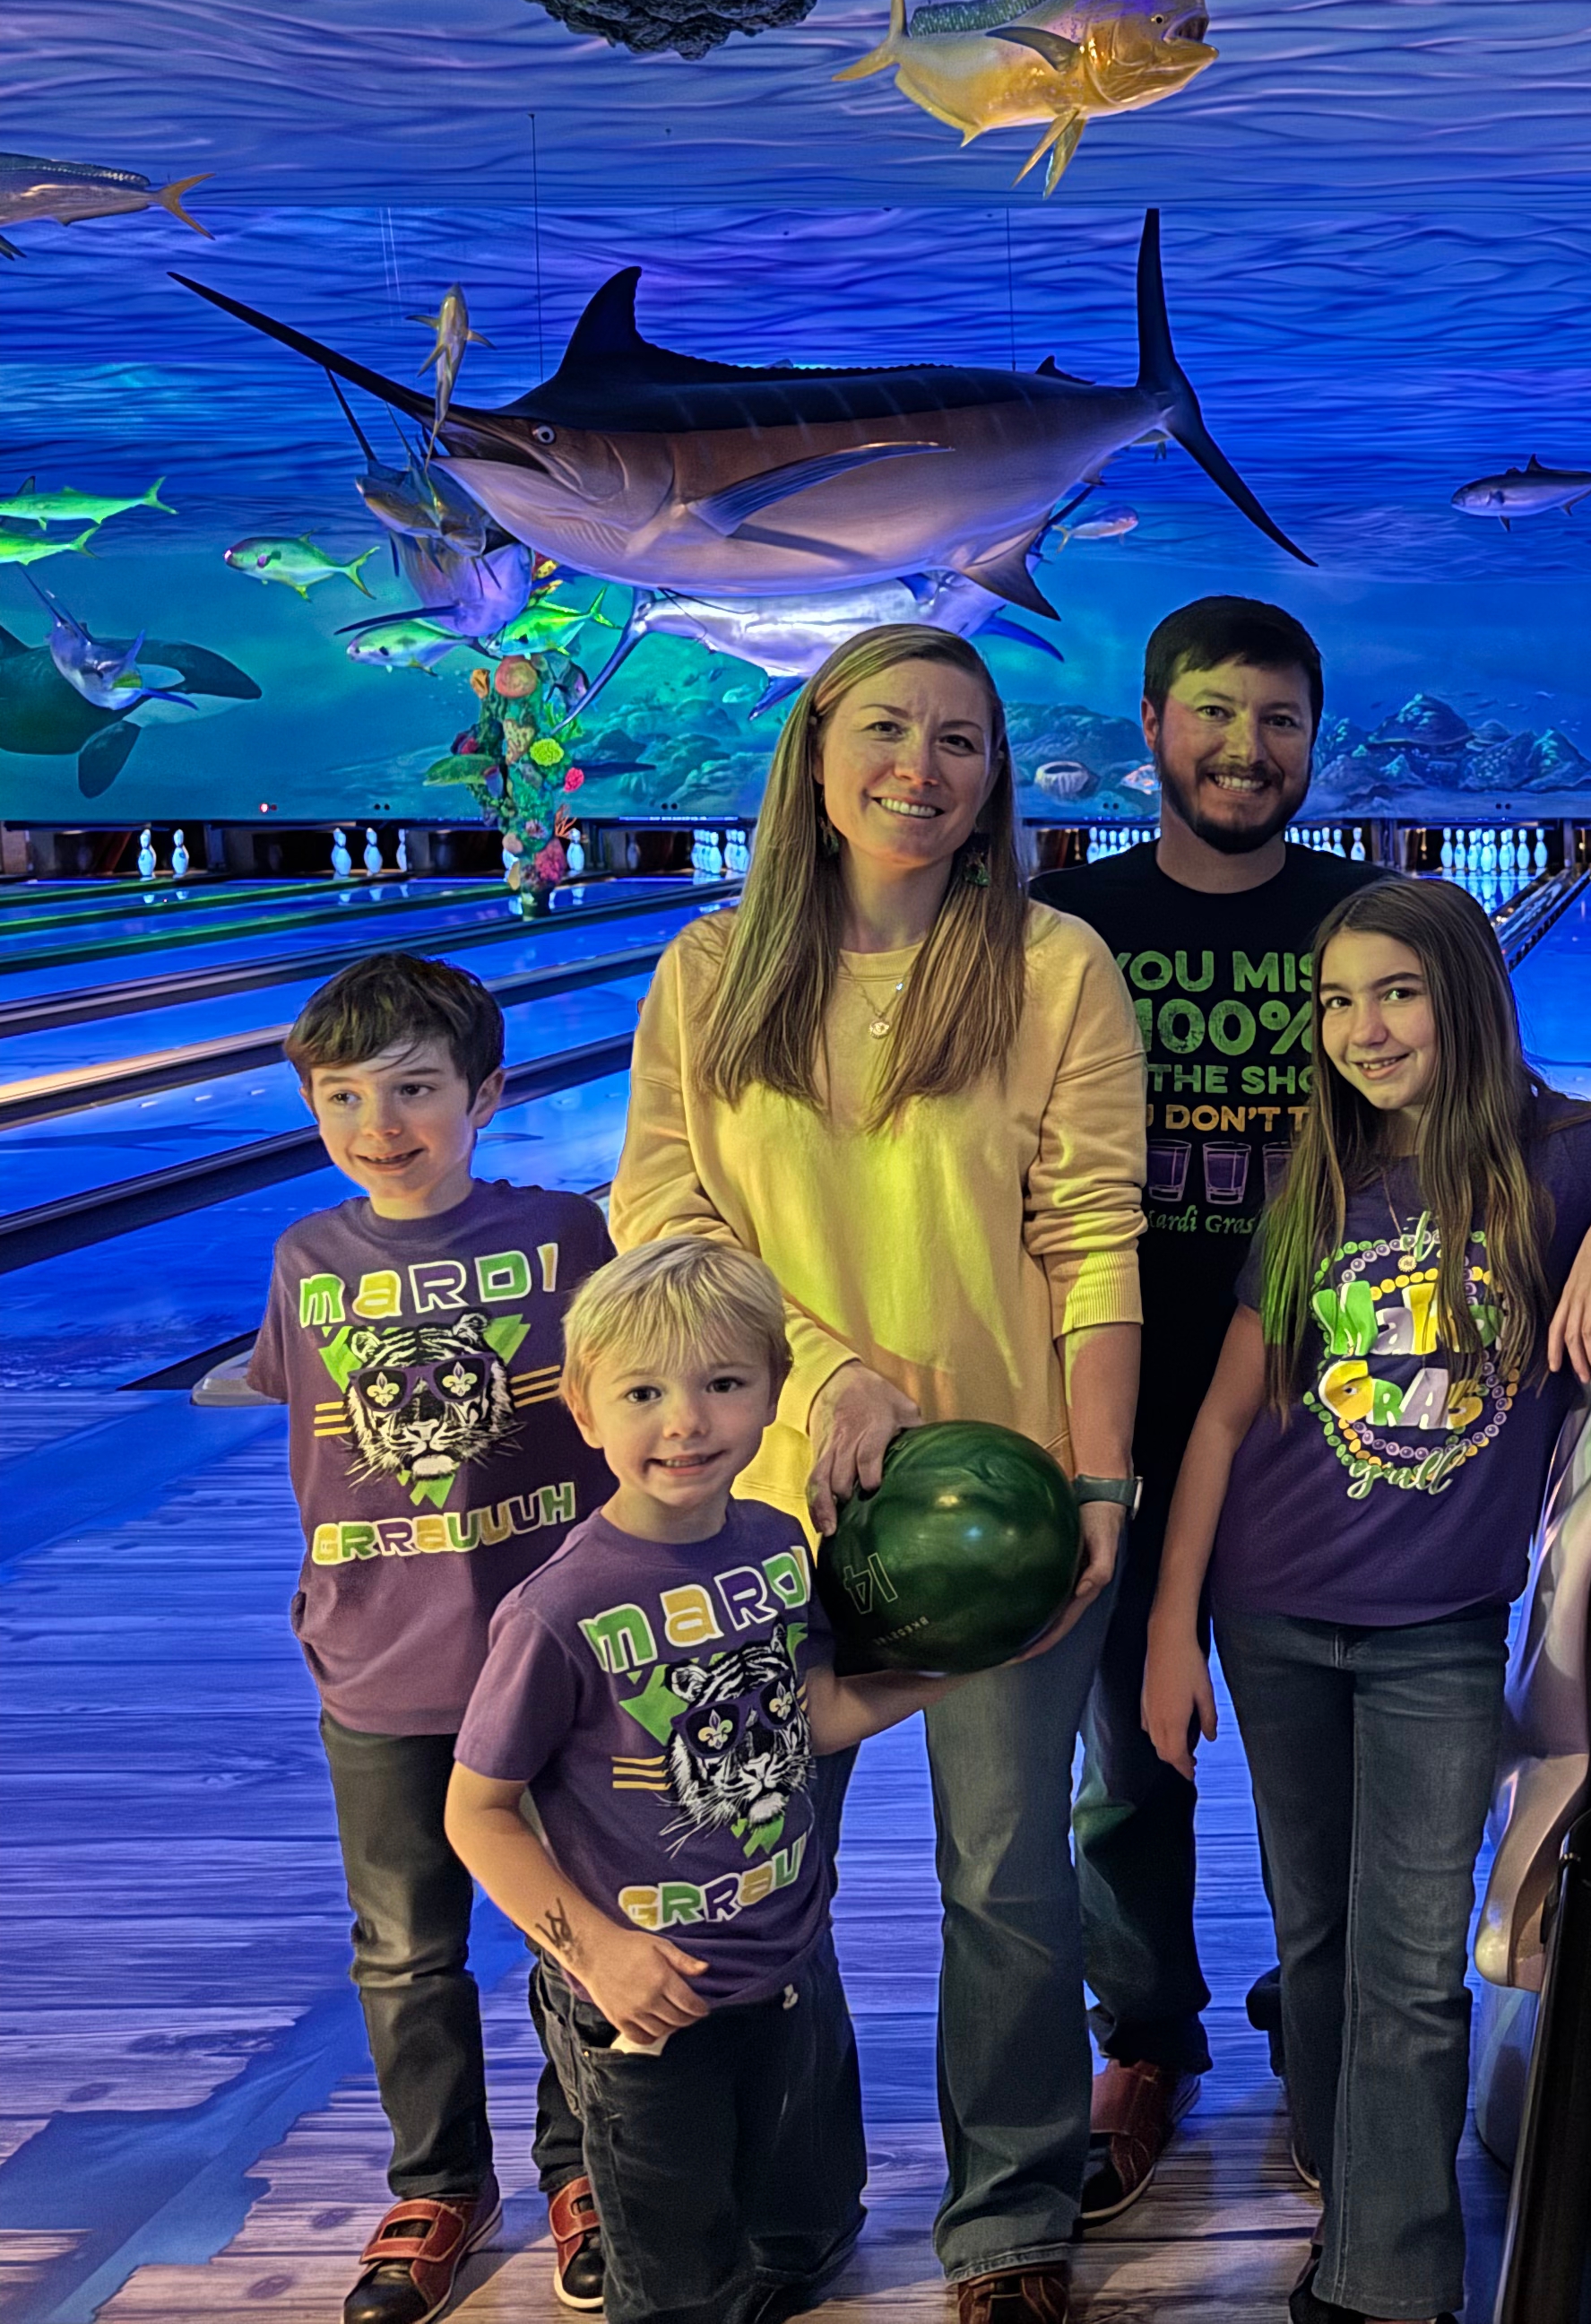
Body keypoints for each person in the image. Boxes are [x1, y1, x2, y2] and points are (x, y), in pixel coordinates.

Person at [1138, 879, 1591, 2324]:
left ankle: (1389, 2280)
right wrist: (1169, 1630)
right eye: (1336, 1002)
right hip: (1267, 1614)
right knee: (1316, 1935)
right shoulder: (1313, 1171)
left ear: (1464, 995)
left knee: (1408, 1958)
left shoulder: (1562, 1153)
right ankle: (1349, 2162)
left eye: (1395, 993)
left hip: (1439, 1633)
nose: (1362, 1029)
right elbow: (1219, 1418)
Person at [612, 623, 1147, 2324]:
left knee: (1007, 1871)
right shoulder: (712, 971)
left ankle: (1008, 2221)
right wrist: (829, 1371)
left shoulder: (1054, 964)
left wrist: (1102, 1487)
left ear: (998, 775)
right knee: (765, 1870)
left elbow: (1093, 1242)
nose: (926, 765)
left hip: (997, 1510)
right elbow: (666, 1221)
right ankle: (795, 2207)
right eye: (891, 728)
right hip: (752, 1504)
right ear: (817, 753)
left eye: (965, 739)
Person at [1031, 595, 1385, 2218]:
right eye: (1218, 715)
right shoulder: (1062, 921)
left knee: (1339, 1764)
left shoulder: (1369, 918)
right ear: (1155, 724)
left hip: (1333, 1417)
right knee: (1130, 1756)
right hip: (1110, 1399)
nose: (1249, 749)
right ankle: (1148, 2036)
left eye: (1282, 720)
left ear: (1316, 738)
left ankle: (1328, 2024)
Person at [446, 1236, 956, 2324]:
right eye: (644, 1392)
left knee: (809, 2231)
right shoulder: (557, 1611)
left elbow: (811, 1716)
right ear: (584, 1410)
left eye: (723, 1384)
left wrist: (961, 1663)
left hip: (788, 1963)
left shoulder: (774, 1546)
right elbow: (477, 1814)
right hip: (647, 2002)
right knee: (679, 2289)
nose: (684, 1421)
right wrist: (603, 1956)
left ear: (775, 1392)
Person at [247, 952, 617, 2324]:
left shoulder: (566, 1235)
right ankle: (439, 2179)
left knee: (566, 1932)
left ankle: (582, 2165)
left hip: (550, 1658)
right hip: (376, 1663)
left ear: (486, 1094)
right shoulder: (304, 1259)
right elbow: (292, 1400)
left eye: (412, 1089)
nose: (378, 1124)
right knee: (404, 1947)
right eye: (343, 1097)